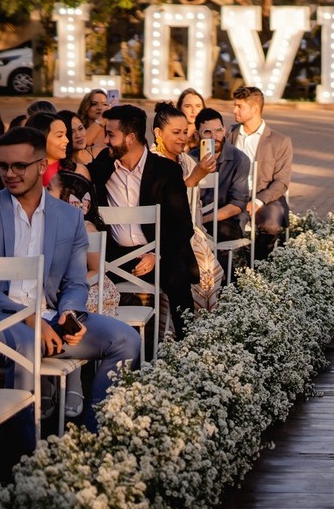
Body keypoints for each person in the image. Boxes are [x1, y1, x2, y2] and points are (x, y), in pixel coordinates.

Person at [0, 127, 140, 433]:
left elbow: (75, 281)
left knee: (127, 339)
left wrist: (70, 312)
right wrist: (29, 319)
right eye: (2, 166)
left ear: (42, 166)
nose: (9, 174)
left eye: (19, 166)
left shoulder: (69, 216)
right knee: (28, 344)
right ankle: (23, 453)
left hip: (49, 318)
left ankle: (94, 437)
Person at [88, 104, 197, 341]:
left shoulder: (167, 170)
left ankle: (190, 346)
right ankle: (96, 349)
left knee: (178, 277)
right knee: (80, 280)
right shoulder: (103, 164)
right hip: (112, 258)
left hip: (158, 256)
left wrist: (155, 254)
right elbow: (78, 181)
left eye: (111, 135)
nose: (105, 141)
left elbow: (183, 226)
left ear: (130, 138)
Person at [46, 169, 121, 419]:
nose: (45, 192)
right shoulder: (47, 225)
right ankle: (45, 382)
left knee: (73, 312)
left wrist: (67, 286)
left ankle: (74, 383)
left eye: (50, 189)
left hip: (94, 286)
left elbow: (96, 270)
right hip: (61, 287)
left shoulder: (86, 227)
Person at [150, 103, 222, 311]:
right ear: (158, 133)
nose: (182, 138)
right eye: (176, 133)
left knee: (211, 268)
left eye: (184, 132)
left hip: (189, 231)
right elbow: (166, 205)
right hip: (162, 237)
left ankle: (204, 322)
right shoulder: (152, 161)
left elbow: (194, 208)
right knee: (201, 266)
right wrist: (195, 177)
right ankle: (181, 324)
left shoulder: (185, 160)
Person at [228, 86, 292, 260]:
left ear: (255, 109)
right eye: (234, 105)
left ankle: (256, 265)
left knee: (271, 225)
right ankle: (228, 268)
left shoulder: (280, 141)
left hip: (265, 197)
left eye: (239, 106)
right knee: (224, 228)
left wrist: (257, 201)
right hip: (233, 197)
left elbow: (282, 182)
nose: (234, 110)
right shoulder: (228, 135)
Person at [192, 107, 251, 265]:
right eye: (207, 132)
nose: (214, 137)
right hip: (195, 220)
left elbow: (237, 204)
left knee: (220, 232)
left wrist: (203, 219)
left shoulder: (240, 159)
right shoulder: (190, 159)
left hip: (227, 220)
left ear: (224, 130)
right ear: (197, 135)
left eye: (218, 130)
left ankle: (222, 278)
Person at [25, 112, 89, 187]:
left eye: (66, 135)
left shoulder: (77, 171)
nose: (67, 140)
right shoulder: (23, 174)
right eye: (59, 136)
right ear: (41, 138)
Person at [77, 89, 110, 159]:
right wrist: (100, 121)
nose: (100, 108)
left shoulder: (111, 131)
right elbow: (83, 143)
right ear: (86, 107)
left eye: (105, 104)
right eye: (94, 104)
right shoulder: (77, 128)